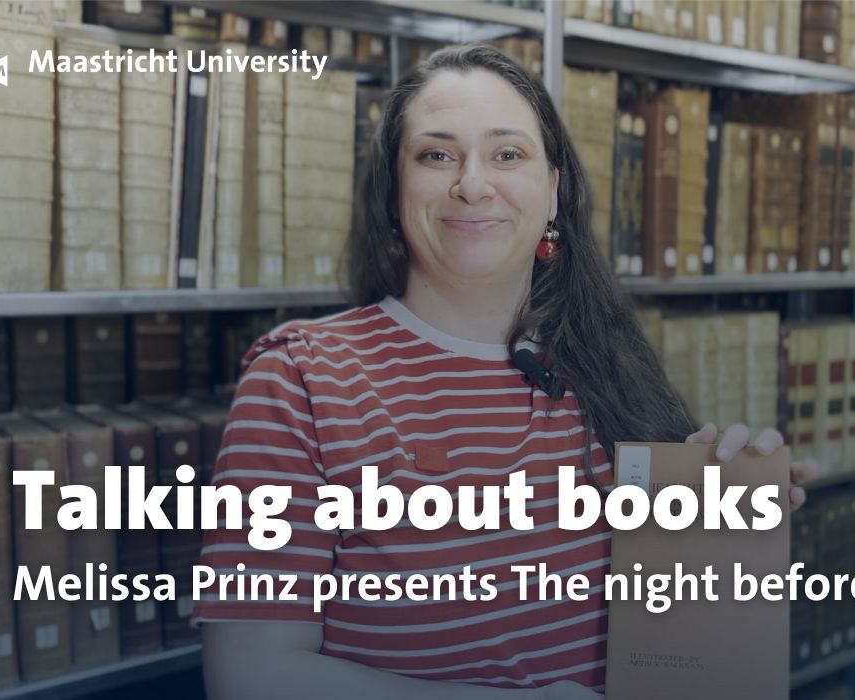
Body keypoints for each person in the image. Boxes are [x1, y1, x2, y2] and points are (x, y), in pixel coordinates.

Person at [194, 44, 817, 699]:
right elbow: (250, 677)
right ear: (395, 190)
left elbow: (675, 645)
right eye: (437, 155)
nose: (472, 182)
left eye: (508, 154)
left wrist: (717, 525)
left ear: (552, 191)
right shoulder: (299, 377)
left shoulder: (610, 365)